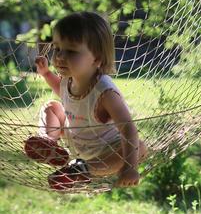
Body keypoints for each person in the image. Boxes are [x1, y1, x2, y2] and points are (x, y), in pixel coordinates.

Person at [24, 11, 148, 190]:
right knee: (51, 106)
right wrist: (46, 74)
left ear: (97, 58)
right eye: (57, 48)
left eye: (71, 51)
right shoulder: (69, 78)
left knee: (140, 148)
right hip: (76, 141)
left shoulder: (105, 92)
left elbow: (128, 129)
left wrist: (130, 167)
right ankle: (48, 143)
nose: (59, 56)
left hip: (105, 151)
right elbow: (63, 92)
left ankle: (81, 171)